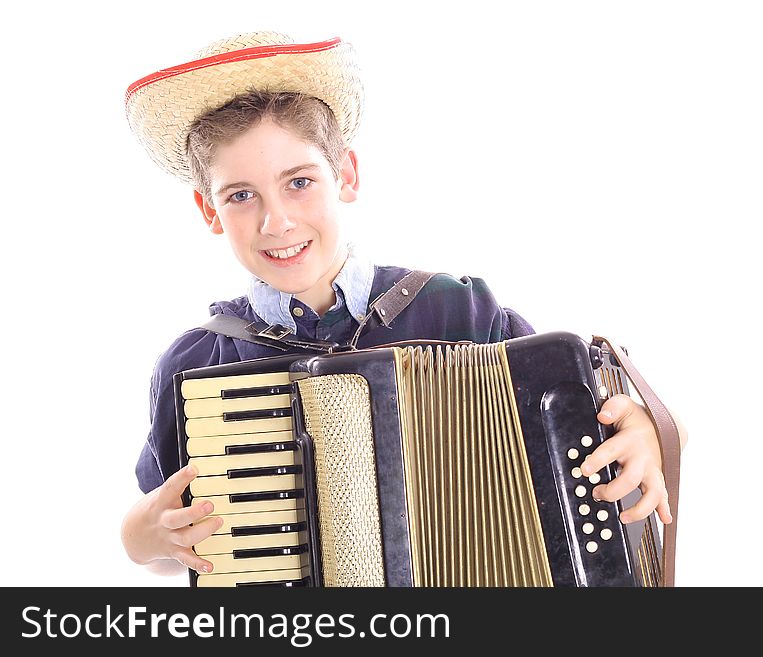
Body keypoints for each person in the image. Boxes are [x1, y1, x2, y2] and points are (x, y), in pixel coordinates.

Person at [120, 31, 687, 578]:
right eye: (241, 196)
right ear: (209, 210)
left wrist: (645, 429)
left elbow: (609, 432)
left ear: (345, 175)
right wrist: (138, 540)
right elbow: (175, 537)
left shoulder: (461, 311)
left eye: (299, 182)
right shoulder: (197, 364)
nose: (276, 222)